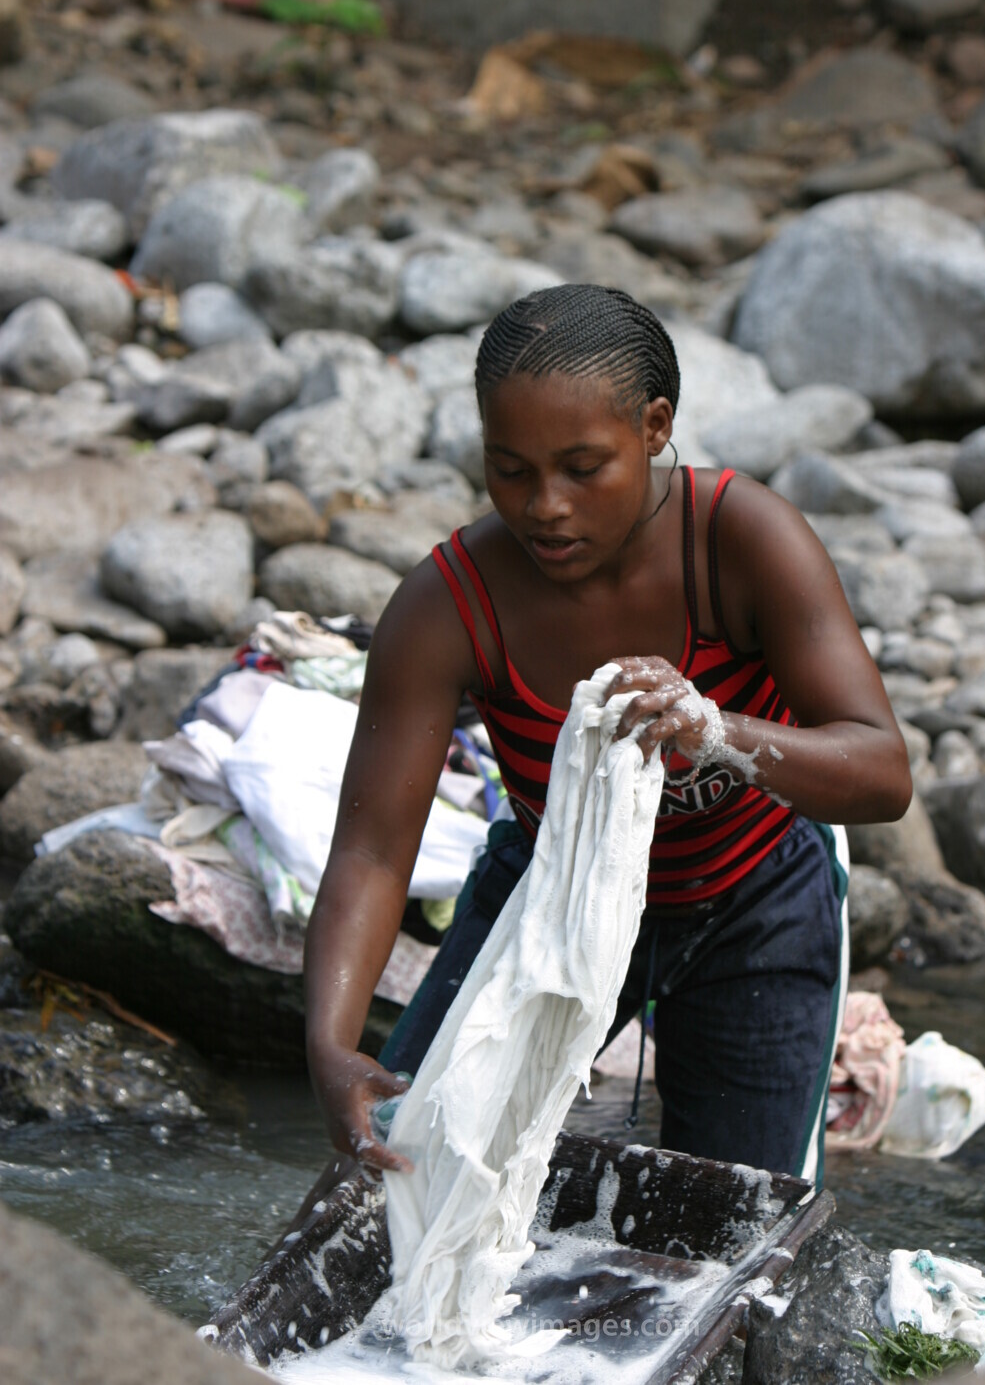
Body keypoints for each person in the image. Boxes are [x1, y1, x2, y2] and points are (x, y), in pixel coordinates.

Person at [304, 284, 911, 1189]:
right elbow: (373, 850)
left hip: (757, 900)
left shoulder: (742, 541)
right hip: (553, 887)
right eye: (510, 470)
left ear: (655, 427)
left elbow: (882, 770)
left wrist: (716, 729)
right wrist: (329, 1045)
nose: (544, 505)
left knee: (737, 1223)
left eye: (583, 468)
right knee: (413, 1159)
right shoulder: (450, 606)